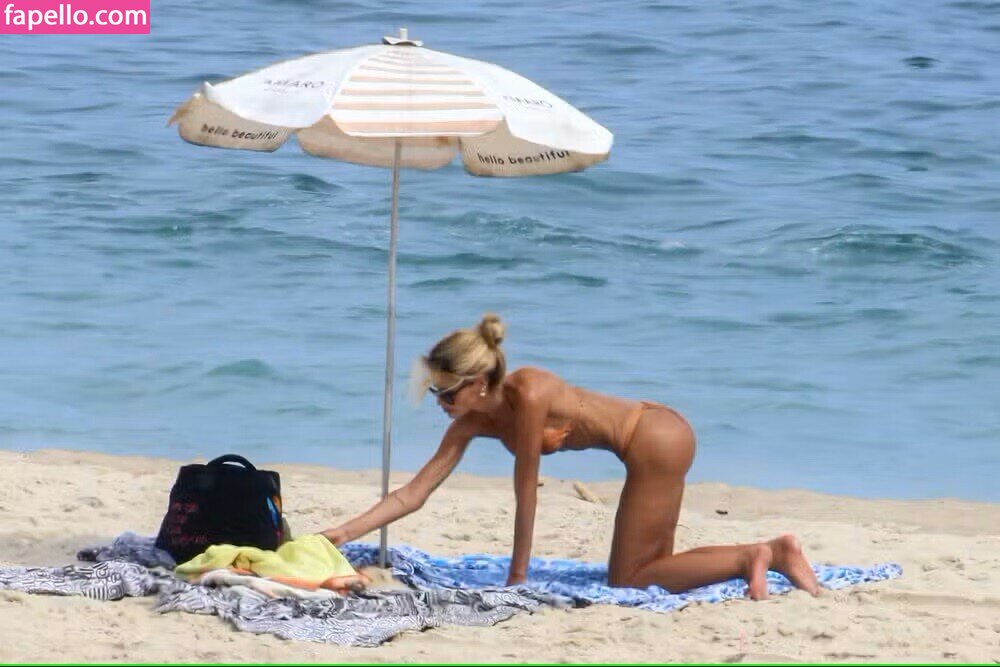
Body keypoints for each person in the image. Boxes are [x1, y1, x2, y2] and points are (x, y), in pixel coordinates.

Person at [321, 314, 819, 599]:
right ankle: (769, 553)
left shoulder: (529, 393)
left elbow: (527, 494)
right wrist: (342, 533)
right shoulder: (472, 422)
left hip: (653, 437)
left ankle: (756, 556)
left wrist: (518, 579)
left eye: (448, 392)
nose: (441, 402)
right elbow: (414, 492)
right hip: (652, 440)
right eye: (435, 391)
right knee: (653, 567)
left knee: (629, 578)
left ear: (479, 383)